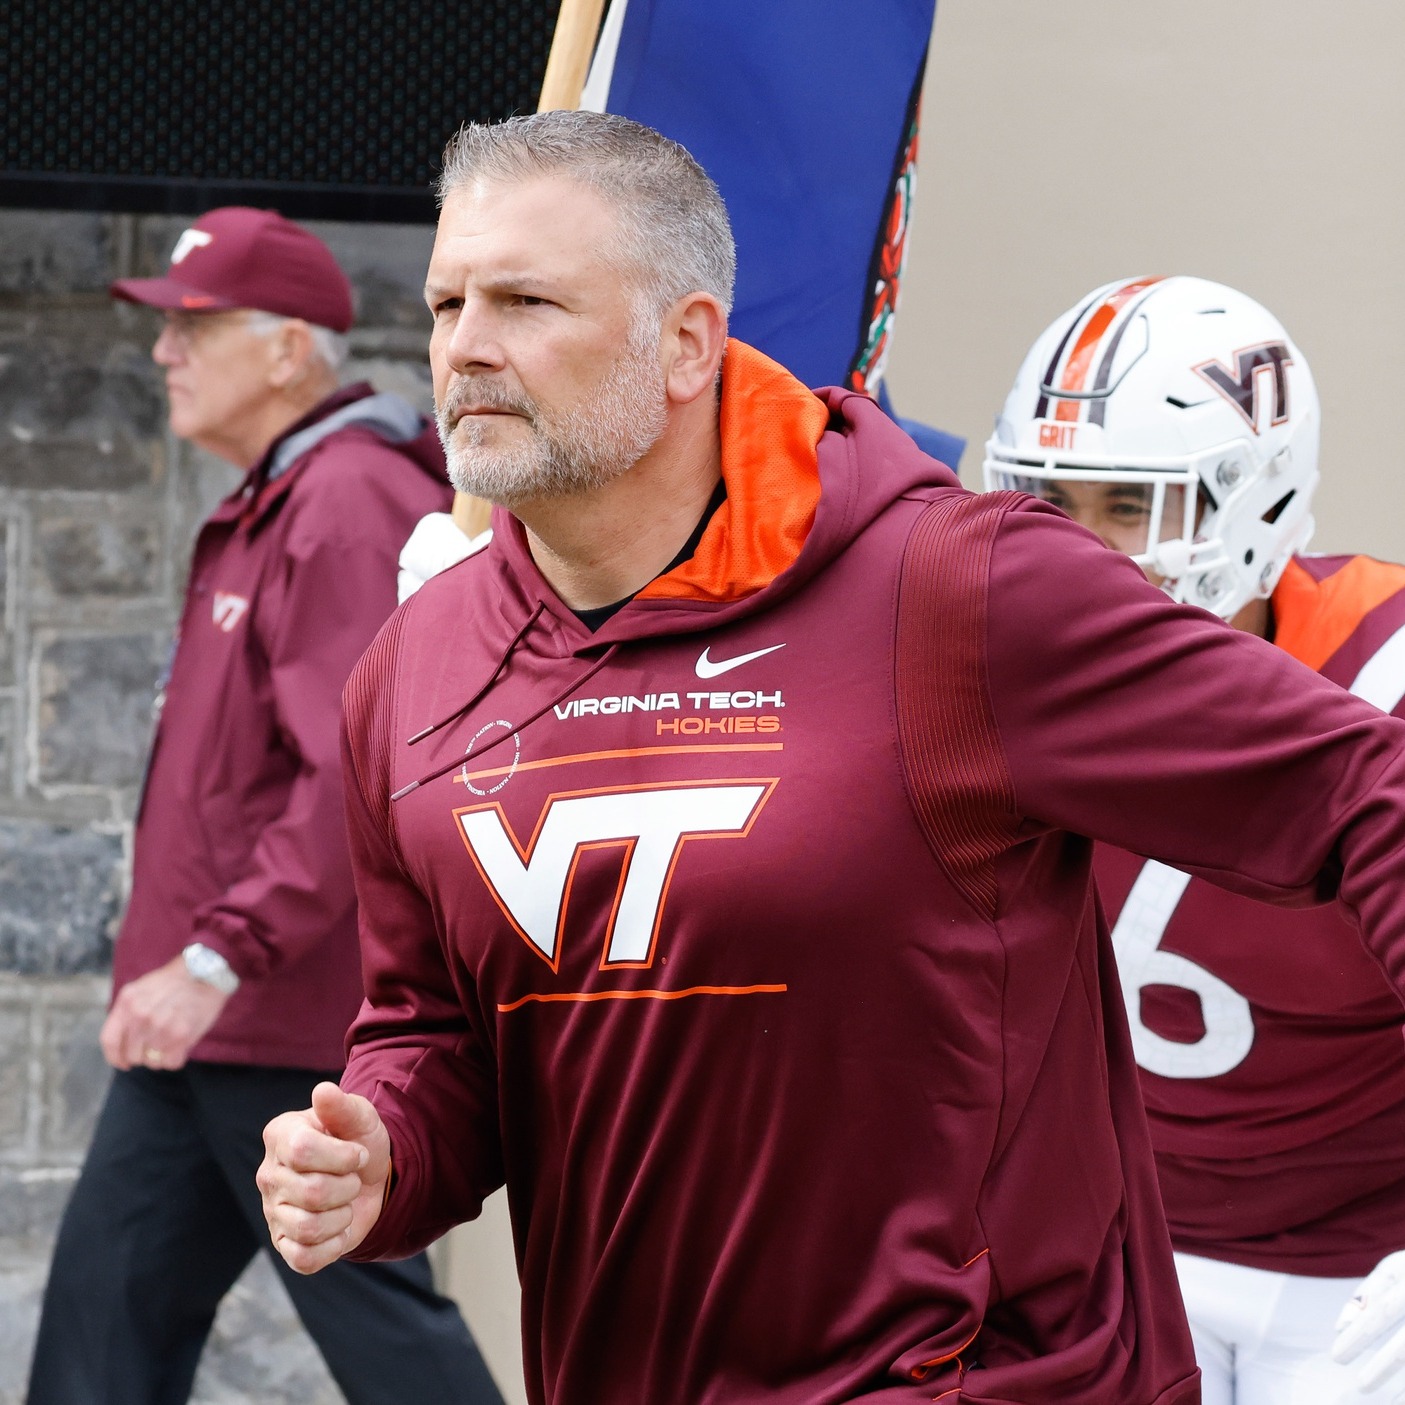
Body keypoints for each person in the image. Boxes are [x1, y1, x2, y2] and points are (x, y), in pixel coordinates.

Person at [257, 112, 1405, 1405]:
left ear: (686, 342)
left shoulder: (958, 590)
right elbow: (439, 1030)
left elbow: (1368, 792)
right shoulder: (414, 669)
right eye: (446, 302)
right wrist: (385, 1152)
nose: (466, 344)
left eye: (525, 301)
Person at [27, 207, 503, 1405]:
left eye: (194, 327)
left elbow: (356, 765)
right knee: (96, 1344)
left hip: (276, 1021)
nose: (163, 352)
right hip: (205, 1028)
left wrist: (217, 956)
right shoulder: (275, 500)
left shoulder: (342, 501)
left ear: (289, 349)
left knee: (389, 1345)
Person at [983, 274, 1405, 1402]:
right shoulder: (962, 657)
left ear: (1258, 507)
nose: (1069, 553)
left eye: (1127, 505)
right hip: (1107, 1254)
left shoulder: (1383, 672)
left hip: (1359, 1287)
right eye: (1045, 501)